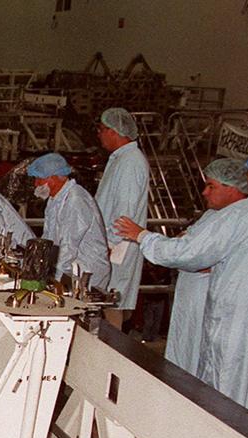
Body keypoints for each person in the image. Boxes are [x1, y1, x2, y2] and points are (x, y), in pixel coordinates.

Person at [114, 146, 248, 423]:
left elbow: (187, 253)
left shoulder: (246, 212)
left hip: (239, 324)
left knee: (223, 396)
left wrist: (144, 237)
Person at [163, 158, 248, 375]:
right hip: (189, 296)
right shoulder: (212, 216)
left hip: (209, 300)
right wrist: (189, 253)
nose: (204, 192)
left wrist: (191, 254)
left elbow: (197, 258)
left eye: (211, 186)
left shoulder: (241, 219)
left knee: (199, 361)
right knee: (182, 355)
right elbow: (183, 244)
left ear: (232, 188)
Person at [94, 108, 150, 328]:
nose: (99, 134)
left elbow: (124, 211)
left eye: (101, 129)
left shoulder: (131, 162)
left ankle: (111, 352)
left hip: (117, 245)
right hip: (110, 242)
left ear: (114, 130)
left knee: (112, 303)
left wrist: (108, 243)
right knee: (106, 299)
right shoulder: (121, 159)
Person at [29, 152, 111, 292]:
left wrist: (55, 280)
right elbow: (48, 239)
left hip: (87, 272)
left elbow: (68, 245)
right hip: (70, 269)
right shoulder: (55, 199)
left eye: (39, 179)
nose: (35, 184)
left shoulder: (75, 199)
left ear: (53, 178)